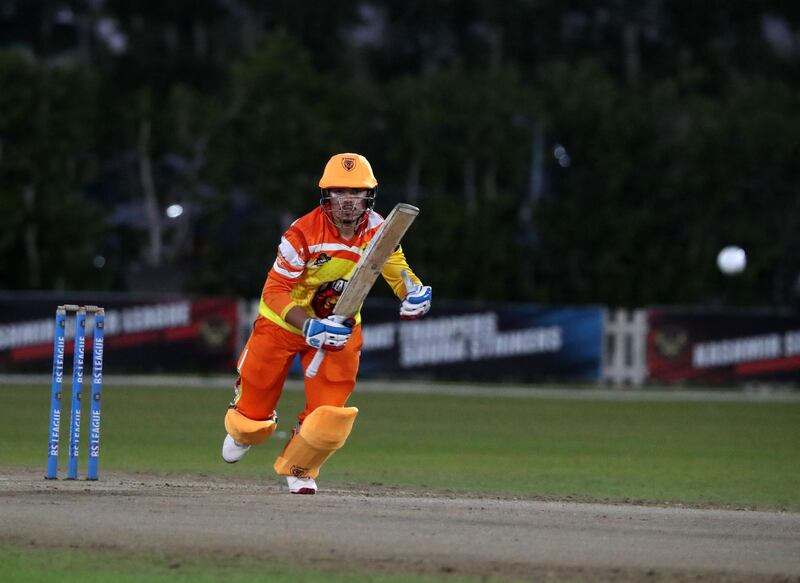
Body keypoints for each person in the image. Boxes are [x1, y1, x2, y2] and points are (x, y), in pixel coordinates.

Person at [221, 153, 432, 494]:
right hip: (283, 324)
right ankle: (243, 429)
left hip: (340, 327)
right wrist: (310, 327)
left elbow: (394, 265)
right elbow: (274, 291)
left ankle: (300, 467)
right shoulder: (301, 234)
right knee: (250, 420)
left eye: (356, 192)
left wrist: (413, 289)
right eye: (340, 191)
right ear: (327, 194)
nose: (348, 200)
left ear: (368, 195)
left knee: (330, 414)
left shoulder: (380, 229)